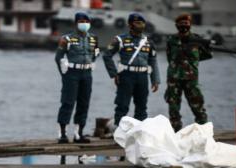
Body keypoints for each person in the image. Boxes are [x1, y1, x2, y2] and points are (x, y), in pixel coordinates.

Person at [103, 13, 160, 128]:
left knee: (142, 106)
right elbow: (107, 55)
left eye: (142, 23)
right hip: (126, 76)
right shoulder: (120, 40)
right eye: (137, 23)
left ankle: (140, 133)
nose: (140, 25)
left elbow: (153, 60)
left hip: (143, 76)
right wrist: (114, 74)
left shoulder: (148, 42)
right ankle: (119, 134)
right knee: (122, 105)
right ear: (130, 25)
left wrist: (155, 80)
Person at [55, 12, 100, 144]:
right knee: (68, 102)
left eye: (87, 21)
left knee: (84, 103)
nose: (84, 24)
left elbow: (96, 53)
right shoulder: (66, 39)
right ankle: (62, 133)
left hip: (86, 73)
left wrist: (89, 63)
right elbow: (58, 57)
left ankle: (78, 133)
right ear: (76, 23)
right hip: (72, 73)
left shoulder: (93, 39)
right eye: (81, 21)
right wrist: (64, 74)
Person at [164, 13, 212, 132]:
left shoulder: (197, 40)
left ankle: (203, 130)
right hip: (174, 79)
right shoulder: (171, 40)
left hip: (191, 78)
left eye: (186, 23)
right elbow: (169, 57)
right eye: (181, 24)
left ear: (190, 25)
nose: (184, 26)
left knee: (197, 104)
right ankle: (175, 130)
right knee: (173, 106)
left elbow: (207, 55)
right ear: (176, 25)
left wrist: (192, 63)